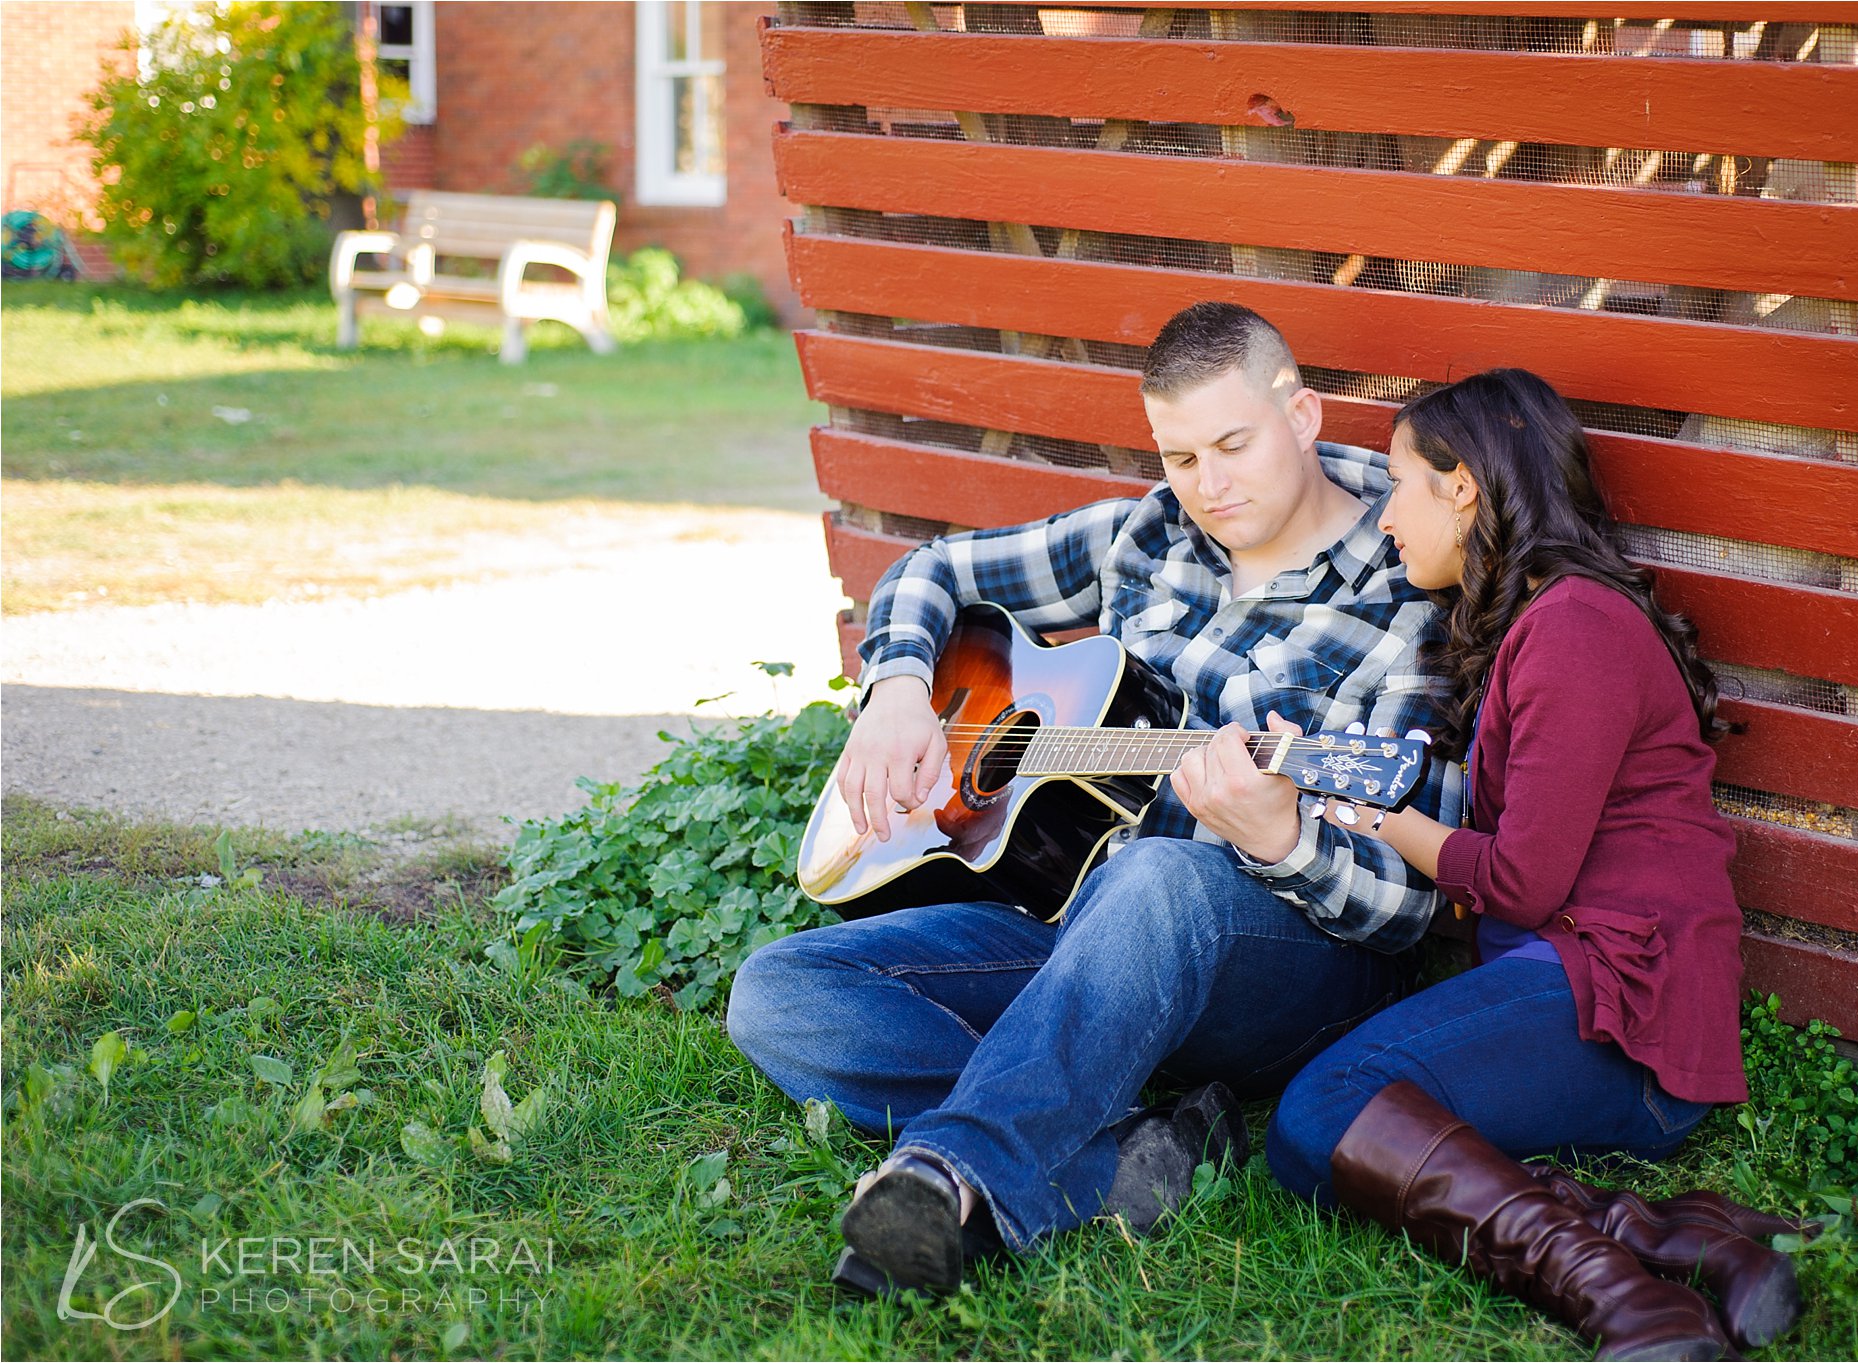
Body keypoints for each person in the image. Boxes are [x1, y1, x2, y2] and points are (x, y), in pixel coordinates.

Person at [725, 301, 1462, 1296]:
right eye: (1180, 456)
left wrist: (1282, 837)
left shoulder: (1405, 585)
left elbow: (1408, 906)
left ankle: (948, 1178)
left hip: (1288, 966)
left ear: (1301, 414)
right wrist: (898, 686)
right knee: (781, 993)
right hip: (1084, 938)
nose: (1209, 486)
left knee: (1164, 875)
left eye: (1232, 445)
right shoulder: (1144, 537)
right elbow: (928, 569)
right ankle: (1121, 1155)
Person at [1264, 368, 1801, 1360]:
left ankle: (1623, 1302)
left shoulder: (1575, 628)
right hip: (1568, 987)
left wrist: (1376, 823)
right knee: (1320, 1133)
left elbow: (1518, 883)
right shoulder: (1540, 624)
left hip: (1623, 1011)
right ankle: (1667, 1235)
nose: (1385, 519)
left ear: (1460, 485)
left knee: (1321, 1115)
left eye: (1396, 486)